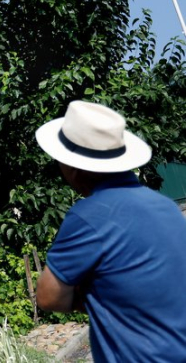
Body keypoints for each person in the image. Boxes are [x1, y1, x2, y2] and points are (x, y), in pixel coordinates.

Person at [34, 100, 186, 361]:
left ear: (72, 168)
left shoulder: (89, 215)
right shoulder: (166, 207)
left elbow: (48, 297)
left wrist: (92, 295)